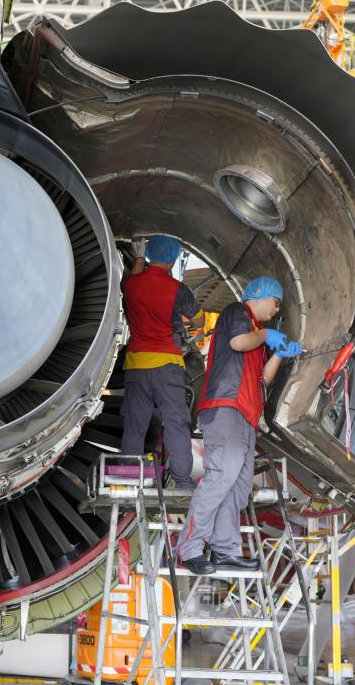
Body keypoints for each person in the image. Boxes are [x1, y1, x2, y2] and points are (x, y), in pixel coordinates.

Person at [176, 276, 302, 574]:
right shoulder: (238, 313)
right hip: (226, 408)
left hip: (246, 417)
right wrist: (267, 335)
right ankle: (189, 549)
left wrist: (278, 354)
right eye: (276, 302)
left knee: (239, 487)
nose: (276, 309)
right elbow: (237, 342)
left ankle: (225, 550)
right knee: (221, 478)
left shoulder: (256, 334)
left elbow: (262, 381)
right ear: (261, 295)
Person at [119, 235, 200, 488]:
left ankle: (130, 479)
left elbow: (133, 278)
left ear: (150, 255)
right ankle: (182, 480)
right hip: (168, 365)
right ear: (172, 260)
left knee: (134, 424)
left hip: (137, 365)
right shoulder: (178, 289)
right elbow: (198, 321)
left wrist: (139, 257)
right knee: (176, 422)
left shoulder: (131, 284)